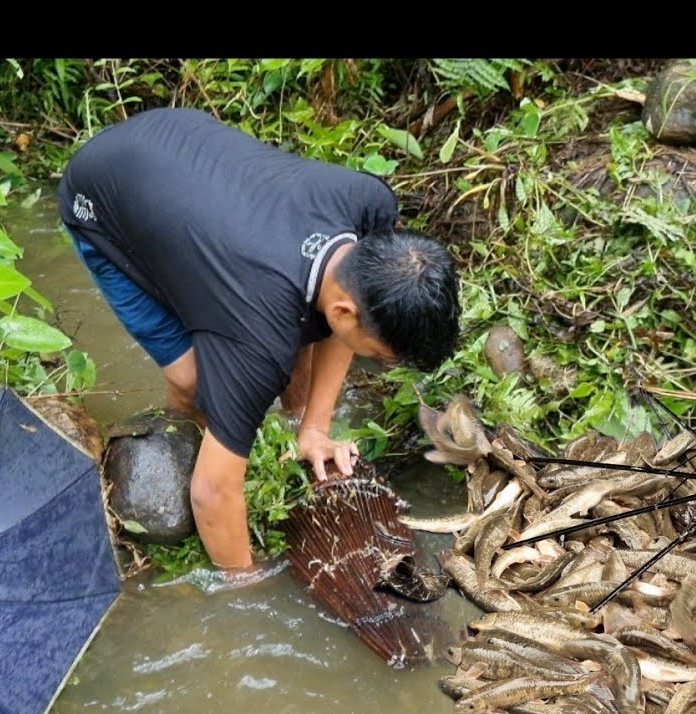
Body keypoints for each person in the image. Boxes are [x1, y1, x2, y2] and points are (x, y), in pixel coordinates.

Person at [56, 107, 461, 576]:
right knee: (192, 383)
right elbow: (212, 492)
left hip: (183, 149)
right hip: (101, 194)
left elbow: (340, 321)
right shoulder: (258, 336)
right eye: (379, 357)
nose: (375, 363)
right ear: (345, 313)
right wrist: (244, 585)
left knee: (288, 353)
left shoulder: (369, 205)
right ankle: (175, 449)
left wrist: (313, 429)